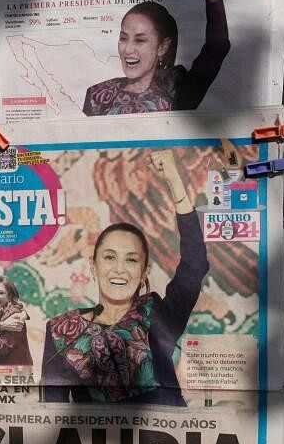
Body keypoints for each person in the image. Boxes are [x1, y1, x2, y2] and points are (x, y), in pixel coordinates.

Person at [41, 149, 208, 406]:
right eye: (109, 257)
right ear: (93, 266)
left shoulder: (157, 315)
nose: (119, 269)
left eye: (131, 260)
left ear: (144, 272)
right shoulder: (60, 331)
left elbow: (195, 264)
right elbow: (51, 412)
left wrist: (175, 182)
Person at [82, 0, 230, 116]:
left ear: (162, 47)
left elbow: (217, 47)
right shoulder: (98, 96)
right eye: (124, 38)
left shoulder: (178, 88)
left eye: (140, 40)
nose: (128, 49)